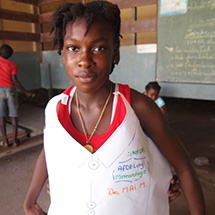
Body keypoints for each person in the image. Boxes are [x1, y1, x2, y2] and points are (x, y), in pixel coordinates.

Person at [23, 1, 205, 215]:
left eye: (98, 48)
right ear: (63, 55)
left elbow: (184, 168)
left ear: (115, 54)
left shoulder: (139, 107)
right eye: (73, 48)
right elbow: (49, 152)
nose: (85, 60)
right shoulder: (54, 109)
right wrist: (29, 201)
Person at [0, 44, 32, 148]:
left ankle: (5, 141)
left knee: (2, 116)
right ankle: (14, 141)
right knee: (13, 115)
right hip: (10, 90)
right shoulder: (12, 64)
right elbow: (15, 81)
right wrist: (25, 91)